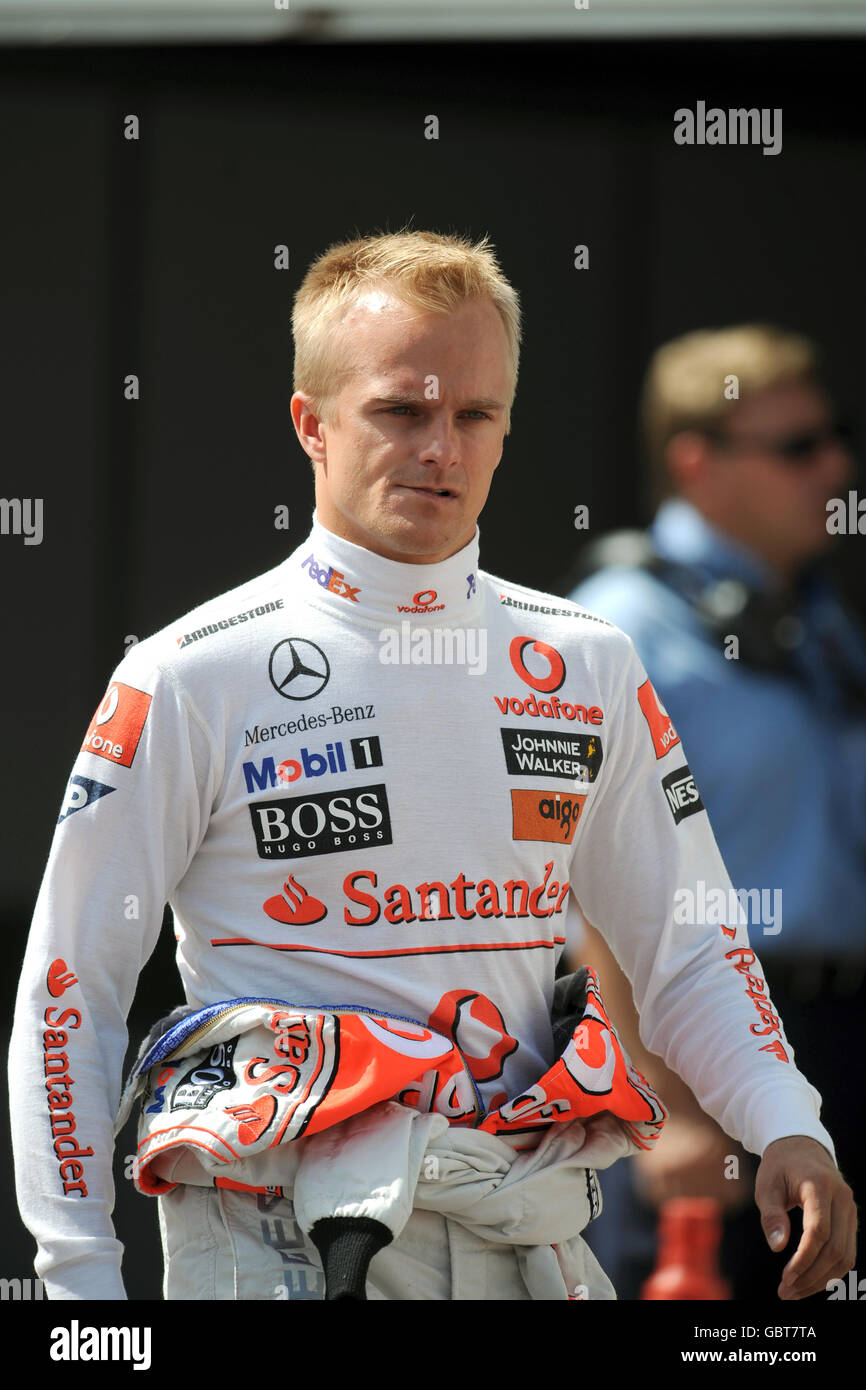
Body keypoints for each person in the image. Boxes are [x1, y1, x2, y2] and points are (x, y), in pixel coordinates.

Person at [9, 239, 856, 1302]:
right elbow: (69, 986)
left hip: (535, 1231)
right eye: (399, 412)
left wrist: (783, 1121)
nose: (439, 448)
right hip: (282, 1247)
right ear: (310, 424)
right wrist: (77, 1274)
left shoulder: (587, 661)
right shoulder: (187, 674)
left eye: (473, 415)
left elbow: (686, 945)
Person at [568, 323, 866, 1298]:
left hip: (828, 1040)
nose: (833, 465)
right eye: (796, 447)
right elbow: (583, 885)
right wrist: (664, 1106)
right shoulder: (622, 621)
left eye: (831, 439)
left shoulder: (814, 622)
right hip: (701, 1042)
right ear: (696, 463)